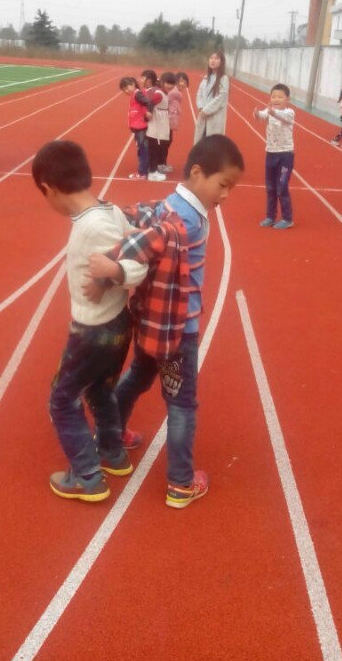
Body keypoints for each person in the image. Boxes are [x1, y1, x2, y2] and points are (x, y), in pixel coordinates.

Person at [86, 135, 244, 508]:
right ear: (197, 172)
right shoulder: (186, 220)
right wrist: (110, 267)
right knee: (182, 404)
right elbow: (149, 242)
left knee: (137, 377)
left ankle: (109, 437)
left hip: (151, 321)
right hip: (177, 330)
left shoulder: (175, 202)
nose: (226, 195)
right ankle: (181, 482)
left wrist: (119, 217)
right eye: (223, 185)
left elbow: (148, 214)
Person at [31, 140, 148, 502]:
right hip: (114, 324)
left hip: (94, 331)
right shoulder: (107, 210)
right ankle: (112, 452)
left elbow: (138, 263)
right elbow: (130, 242)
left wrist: (114, 274)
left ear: (49, 189)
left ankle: (86, 476)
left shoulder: (93, 226)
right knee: (99, 390)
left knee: (61, 400)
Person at [253, 84, 296, 229]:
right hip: (271, 153)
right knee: (270, 187)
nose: (276, 99)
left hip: (285, 155)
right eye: (273, 97)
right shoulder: (269, 111)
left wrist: (272, 112)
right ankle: (270, 216)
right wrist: (257, 114)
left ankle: (287, 218)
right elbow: (262, 116)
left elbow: (281, 116)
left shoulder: (290, 112)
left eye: (280, 97)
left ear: (287, 99)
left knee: (282, 187)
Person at [119, 76, 153, 179]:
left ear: (133, 84)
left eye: (127, 87)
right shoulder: (136, 94)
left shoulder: (137, 94)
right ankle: (146, 170)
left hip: (141, 129)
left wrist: (149, 112)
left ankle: (142, 173)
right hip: (139, 128)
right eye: (124, 89)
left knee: (142, 151)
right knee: (144, 150)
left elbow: (148, 102)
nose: (126, 90)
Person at [194, 51, 229, 142]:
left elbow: (221, 97)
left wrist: (206, 110)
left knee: (213, 144)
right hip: (203, 116)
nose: (213, 60)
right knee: (201, 143)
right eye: (211, 58)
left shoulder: (224, 78)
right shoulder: (206, 78)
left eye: (216, 58)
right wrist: (200, 108)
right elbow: (199, 95)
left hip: (215, 118)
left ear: (221, 62)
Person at [157, 71, 177, 174]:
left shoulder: (170, 93)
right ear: (162, 82)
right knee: (162, 143)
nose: (170, 86)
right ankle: (159, 164)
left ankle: (162, 163)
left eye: (172, 84)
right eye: (167, 83)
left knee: (168, 141)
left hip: (167, 122)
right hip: (160, 122)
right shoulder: (159, 94)